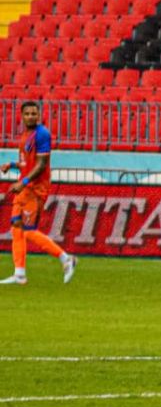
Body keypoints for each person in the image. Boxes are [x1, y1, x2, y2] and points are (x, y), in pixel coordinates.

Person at [1, 101, 77, 285]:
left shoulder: (42, 134)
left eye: (34, 113)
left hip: (36, 189)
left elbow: (41, 164)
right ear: (22, 115)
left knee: (28, 231)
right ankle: (19, 273)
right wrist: (12, 165)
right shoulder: (25, 135)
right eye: (27, 113)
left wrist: (24, 181)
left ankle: (66, 259)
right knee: (16, 228)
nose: (30, 116)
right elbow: (28, 163)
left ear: (38, 115)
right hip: (25, 188)